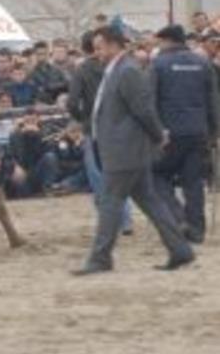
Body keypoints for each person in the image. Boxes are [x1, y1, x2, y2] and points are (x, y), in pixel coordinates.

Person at [73, 27, 194, 276]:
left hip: (125, 149)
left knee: (110, 202)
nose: (97, 53)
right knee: (151, 202)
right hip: (122, 148)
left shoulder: (127, 71)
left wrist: (158, 135)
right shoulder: (117, 70)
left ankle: (100, 257)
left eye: (100, 47)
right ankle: (180, 249)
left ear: (115, 45)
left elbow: (143, 110)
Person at [151, 25, 220, 244]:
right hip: (198, 131)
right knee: (194, 182)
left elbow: (150, 102)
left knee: (155, 176)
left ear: (167, 41)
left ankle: (178, 217)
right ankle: (197, 230)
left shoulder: (158, 64)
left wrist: (155, 131)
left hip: (169, 134)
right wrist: (214, 132)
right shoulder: (203, 63)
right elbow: (213, 102)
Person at [67, 31, 133, 233]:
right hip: (119, 126)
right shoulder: (119, 65)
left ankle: (110, 221)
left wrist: (82, 119)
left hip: (93, 129)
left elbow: (72, 102)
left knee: (98, 178)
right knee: (120, 174)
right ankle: (126, 220)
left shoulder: (82, 70)